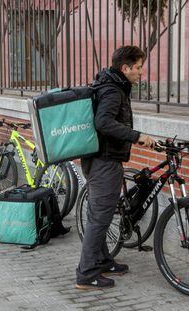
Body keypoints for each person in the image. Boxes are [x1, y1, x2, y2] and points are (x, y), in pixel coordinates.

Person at [76, 46, 156, 290]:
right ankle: (87, 274)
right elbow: (103, 122)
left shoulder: (109, 85)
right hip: (104, 160)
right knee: (100, 218)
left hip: (98, 158)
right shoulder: (112, 90)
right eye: (138, 67)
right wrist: (136, 135)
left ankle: (102, 260)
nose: (141, 72)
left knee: (99, 214)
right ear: (125, 68)